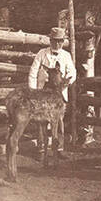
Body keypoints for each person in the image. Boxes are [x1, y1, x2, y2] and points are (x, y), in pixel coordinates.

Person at [28, 27, 76, 160]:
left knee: (59, 120)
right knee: (42, 120)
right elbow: (33, 72)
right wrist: (33, 91)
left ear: (63, 42)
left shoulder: (66, 56)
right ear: (50, 40)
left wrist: (65, 83)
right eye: (54, 41)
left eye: (60, 41)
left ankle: (59, 148)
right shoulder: (42, 54)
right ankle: (41, 149)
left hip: (58, 93)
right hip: (43, 92)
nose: (57, 44)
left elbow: (72, 72)